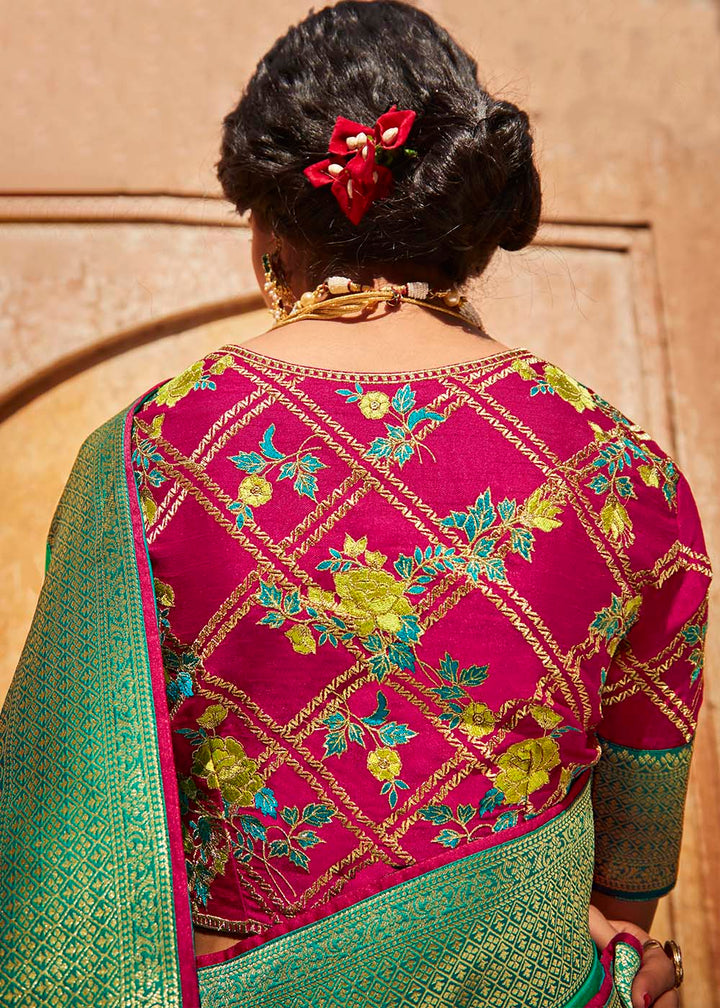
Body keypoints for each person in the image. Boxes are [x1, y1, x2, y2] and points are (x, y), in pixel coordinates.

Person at [0, 2, 710, 1006]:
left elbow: (58, 851)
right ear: (472, 230)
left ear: (266, 231)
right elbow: (628, 889)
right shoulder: (629, 473)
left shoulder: (147, 455)